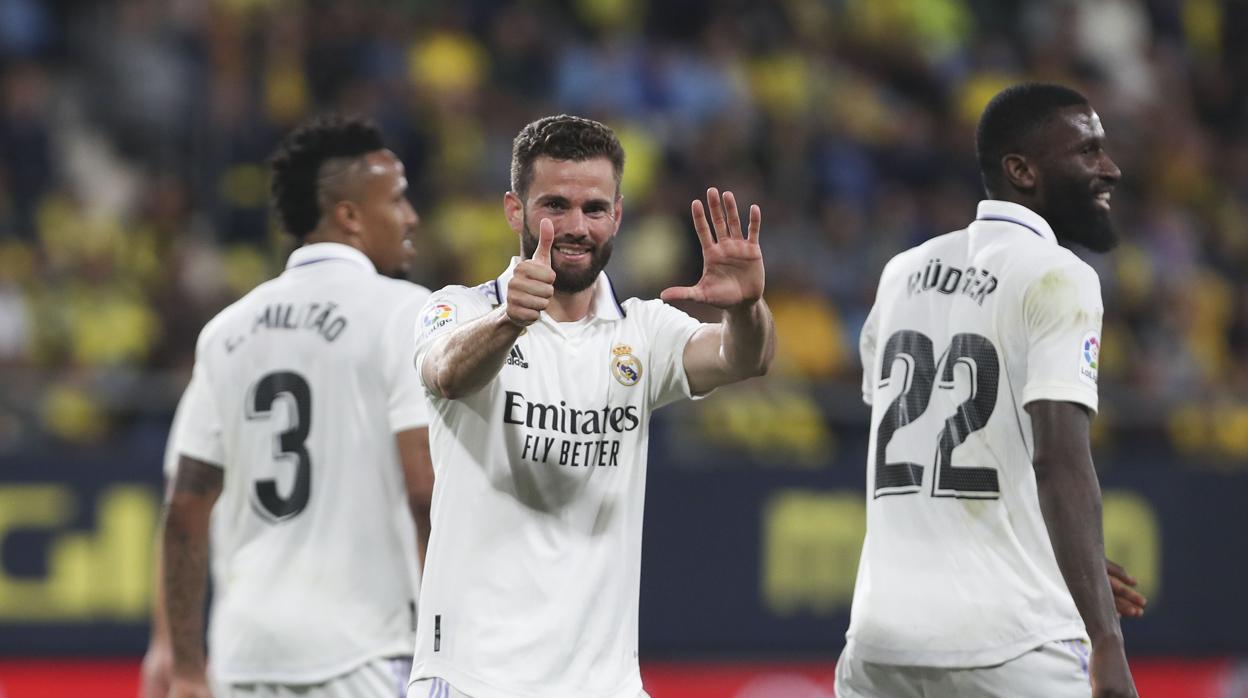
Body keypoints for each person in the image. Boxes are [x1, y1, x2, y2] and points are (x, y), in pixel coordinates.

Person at [405, 114, 775, 698]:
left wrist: (746, 309)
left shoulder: (644, 331)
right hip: (476, 677)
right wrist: (509, 321)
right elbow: (445, 372)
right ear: (513, 210)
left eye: (595, 209)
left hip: (607, 685)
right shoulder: (459, 309)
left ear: (618, 216)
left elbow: (743, 358)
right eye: (555, 204)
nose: (577, 226)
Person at [837, 83, 1141, 698]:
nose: (1111, 167)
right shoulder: (1059, 277)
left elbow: (920, 448)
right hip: (1011, 646)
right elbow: (1059, 460)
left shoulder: (902, 272)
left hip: (878, 648)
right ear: (1022, 170)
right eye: (1088, 151)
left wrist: (1050, 553)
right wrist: (1105, 638)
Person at [161, 114, 436, 698]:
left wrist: (186, 667)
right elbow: (425, 491)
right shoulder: (406, 313)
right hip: (363, 649)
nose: (411, 218)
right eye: (398, 199)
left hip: (245, 655)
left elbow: (184, 505)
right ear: (350, 216)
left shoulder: (225, 331)